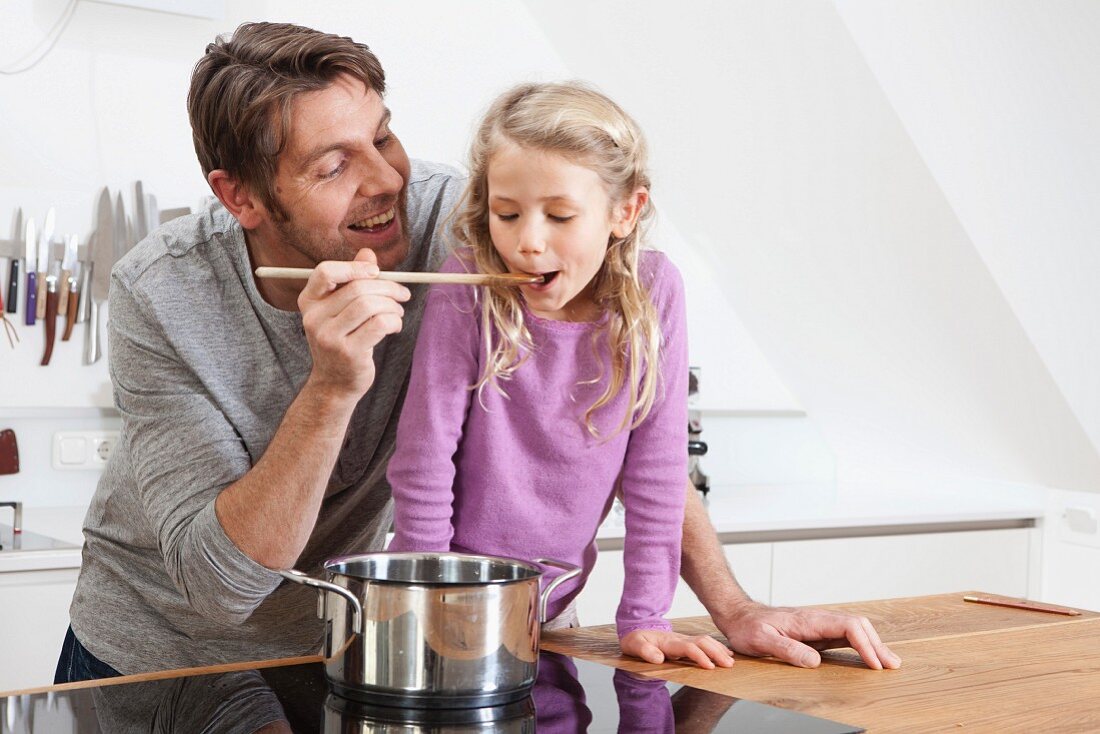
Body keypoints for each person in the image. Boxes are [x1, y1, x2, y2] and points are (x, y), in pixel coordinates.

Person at [56, 21, 898, 683]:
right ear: (240, 196)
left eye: (382, 137)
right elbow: (221, 588)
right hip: (160, 661)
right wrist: (332, 388)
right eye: (333, 164)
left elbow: (623, 429)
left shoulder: (472, 225)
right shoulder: (157, 295)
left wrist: (733, 606)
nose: (384, 180)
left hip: (351, 652)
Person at [387, 81, 729, 668]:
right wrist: (427, 597)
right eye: (507, 213)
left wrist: (645, 616)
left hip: (556, 610)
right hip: (447, 599)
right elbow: (423, 457)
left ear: (625, 212)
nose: (527, 242)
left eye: (561, 215)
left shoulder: (654, 292)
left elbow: (656, 473)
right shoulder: (466, 288)